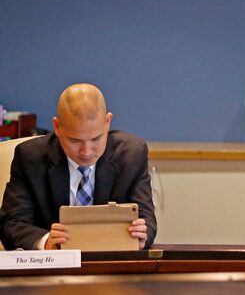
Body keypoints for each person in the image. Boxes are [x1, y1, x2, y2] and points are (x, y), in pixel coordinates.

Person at [0, 83, 157, 250]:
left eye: (96, 139)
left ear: (107, 122)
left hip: (111, 263)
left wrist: (141, 235)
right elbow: (12, 223)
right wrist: (46, 241)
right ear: (57, 127)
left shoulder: (131, 155)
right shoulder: (30, 157)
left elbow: (146, 219)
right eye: (74, 140)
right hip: (52, 268)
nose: (86, 152)